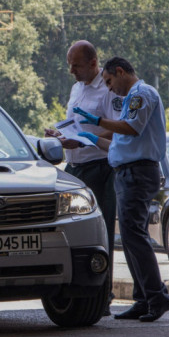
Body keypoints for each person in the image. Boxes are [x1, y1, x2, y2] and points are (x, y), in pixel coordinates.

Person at [74, 56, 169, 322]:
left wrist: (98, 120)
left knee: (134, 237)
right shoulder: (131, 99)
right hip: (128, 172)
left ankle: (156, 297)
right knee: (130, 239)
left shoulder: (141, 94)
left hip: (138, 172)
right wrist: (90, 138)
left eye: (109, 81)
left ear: (120, 72)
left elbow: (130, 129)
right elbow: (119, 144)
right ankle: (143, 299)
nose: (109, 88)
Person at [46, 40, 122, 316]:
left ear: (93, 63)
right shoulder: (77, 88)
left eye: (76, 65)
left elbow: (117, 131)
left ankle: (103, 296)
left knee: (99, 234)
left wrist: (84, 141)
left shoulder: (108, 90)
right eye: (69, 65)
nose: (71, 71)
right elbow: (76, 125)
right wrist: (61, 137)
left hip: (99, 168)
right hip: (75, 168)